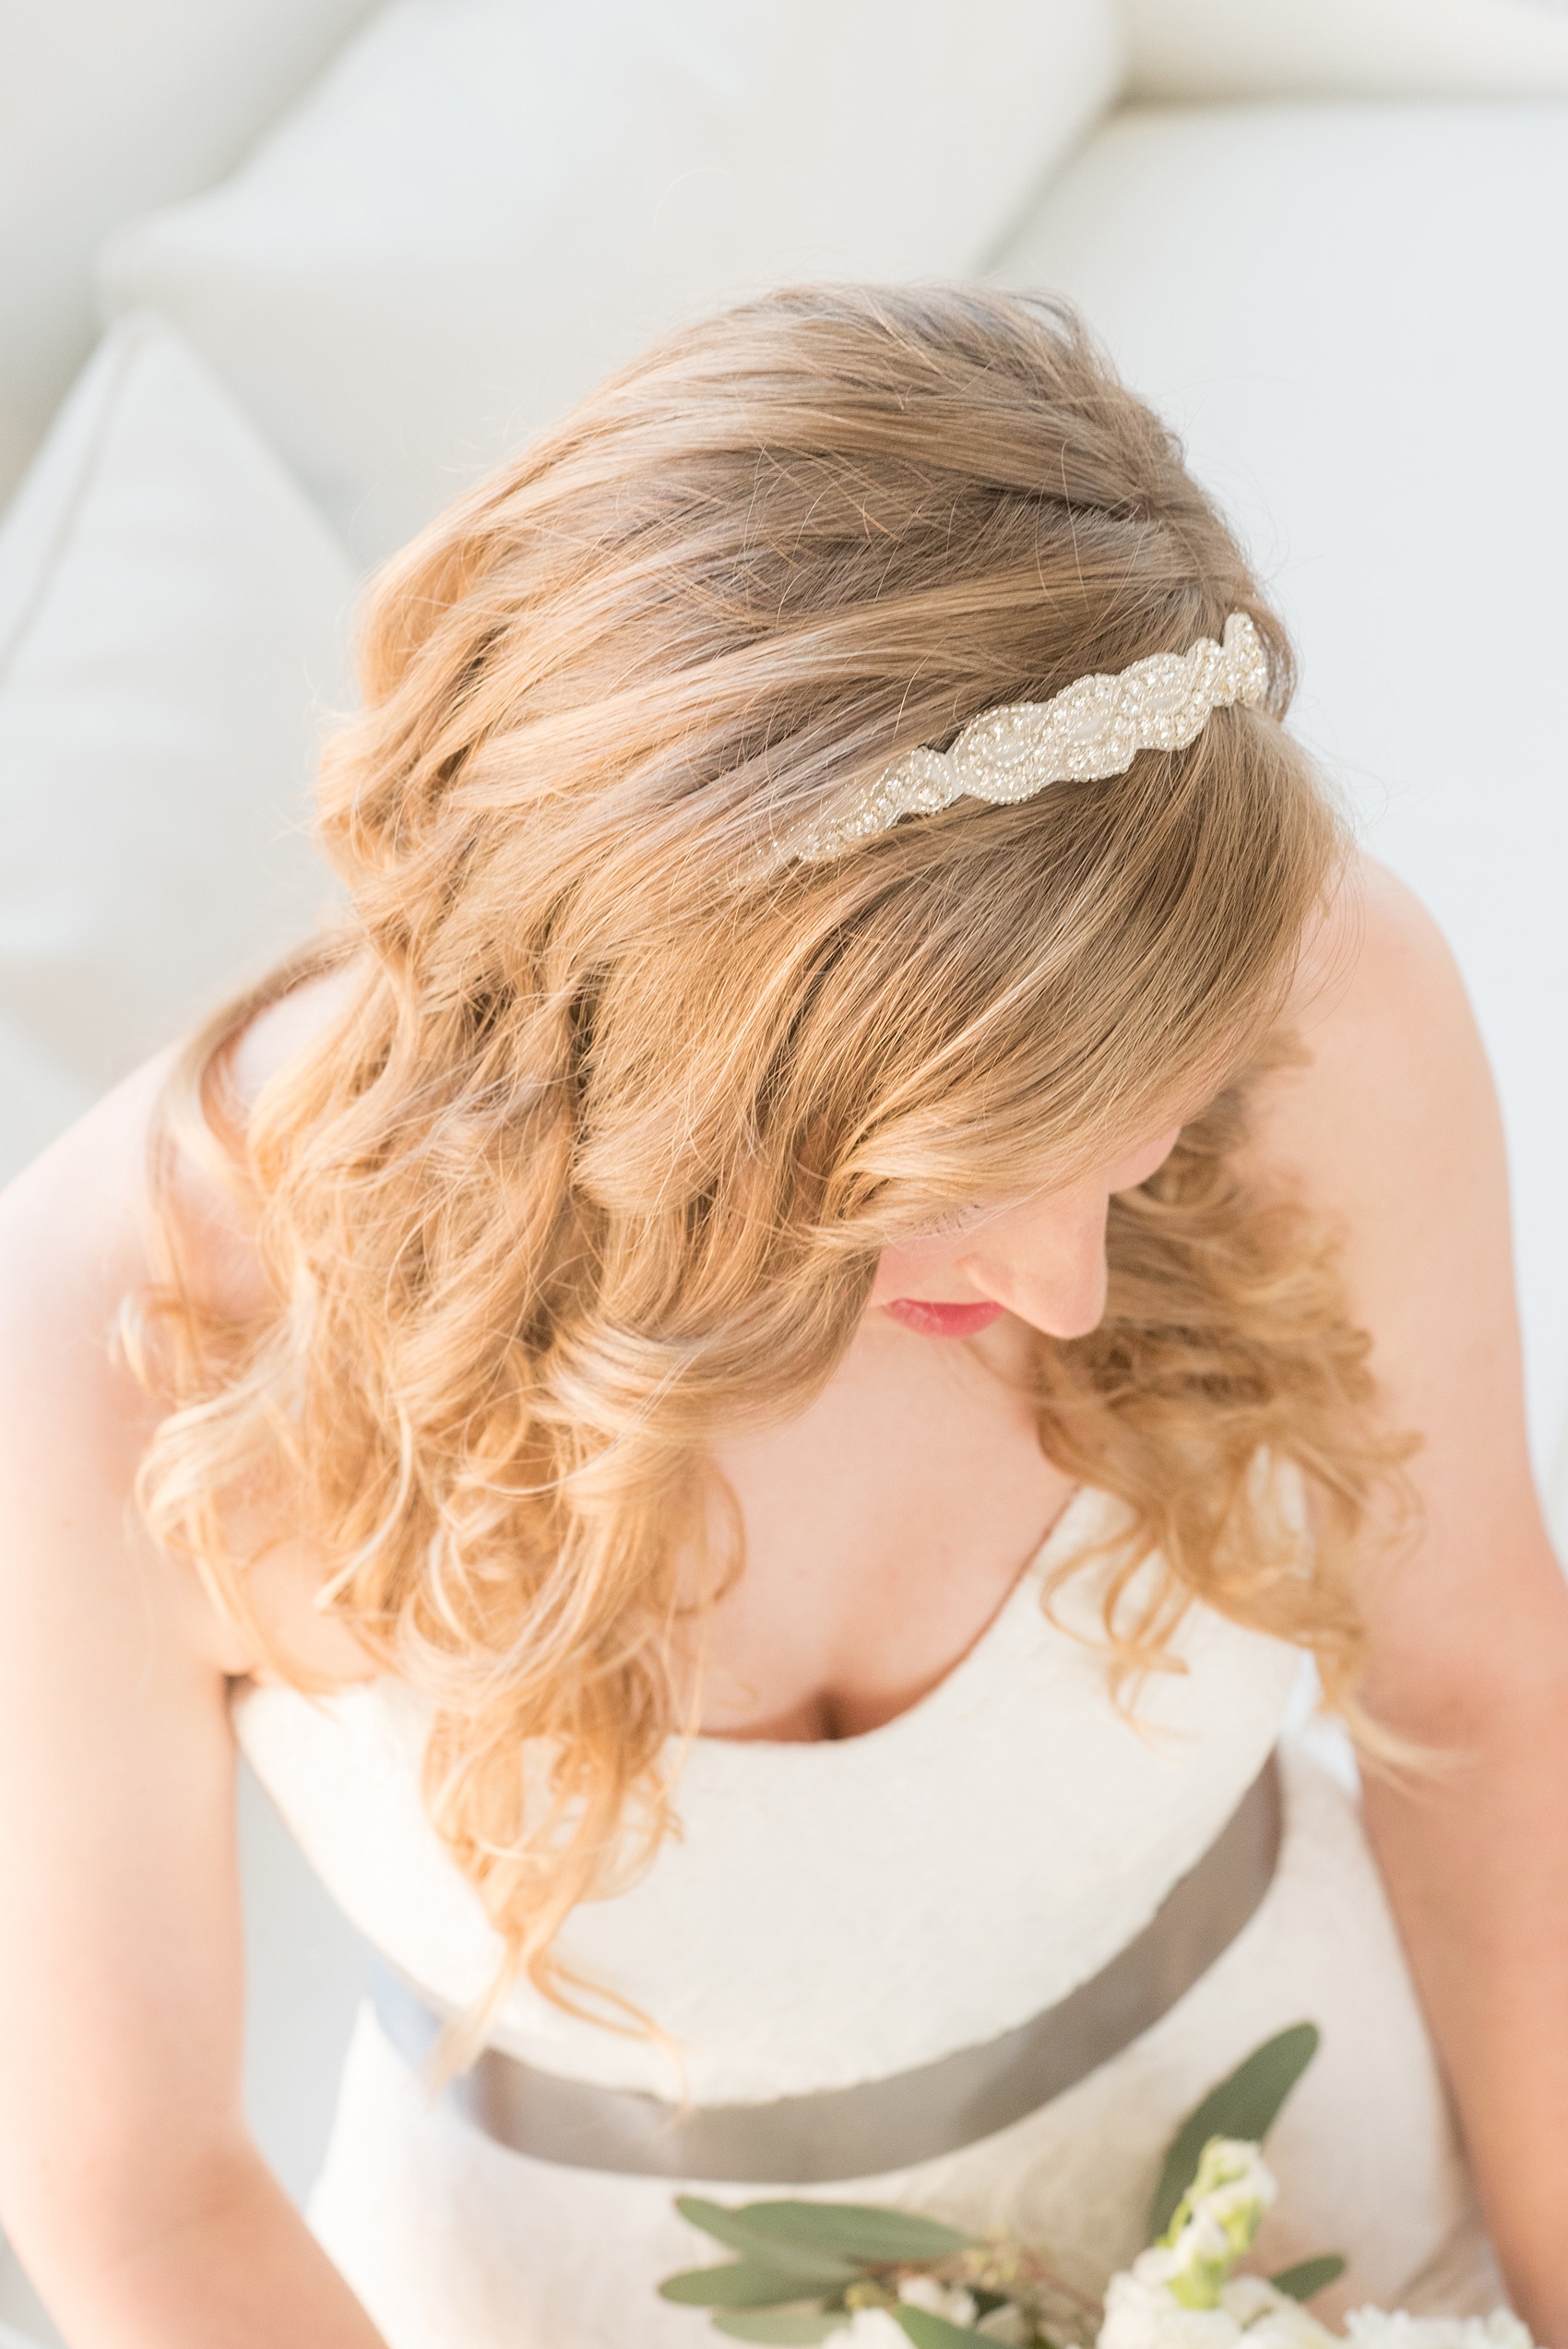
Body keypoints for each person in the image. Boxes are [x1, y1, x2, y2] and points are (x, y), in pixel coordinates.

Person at [0, 285, 1563, 2349]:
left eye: (1151, 1145)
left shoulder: (1315, 990)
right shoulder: (127, 1330)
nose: (1072, 1290)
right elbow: (142, 2194)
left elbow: (1476, 1699)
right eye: (940, 1201)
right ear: (659, 1069)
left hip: (1329, 2205)